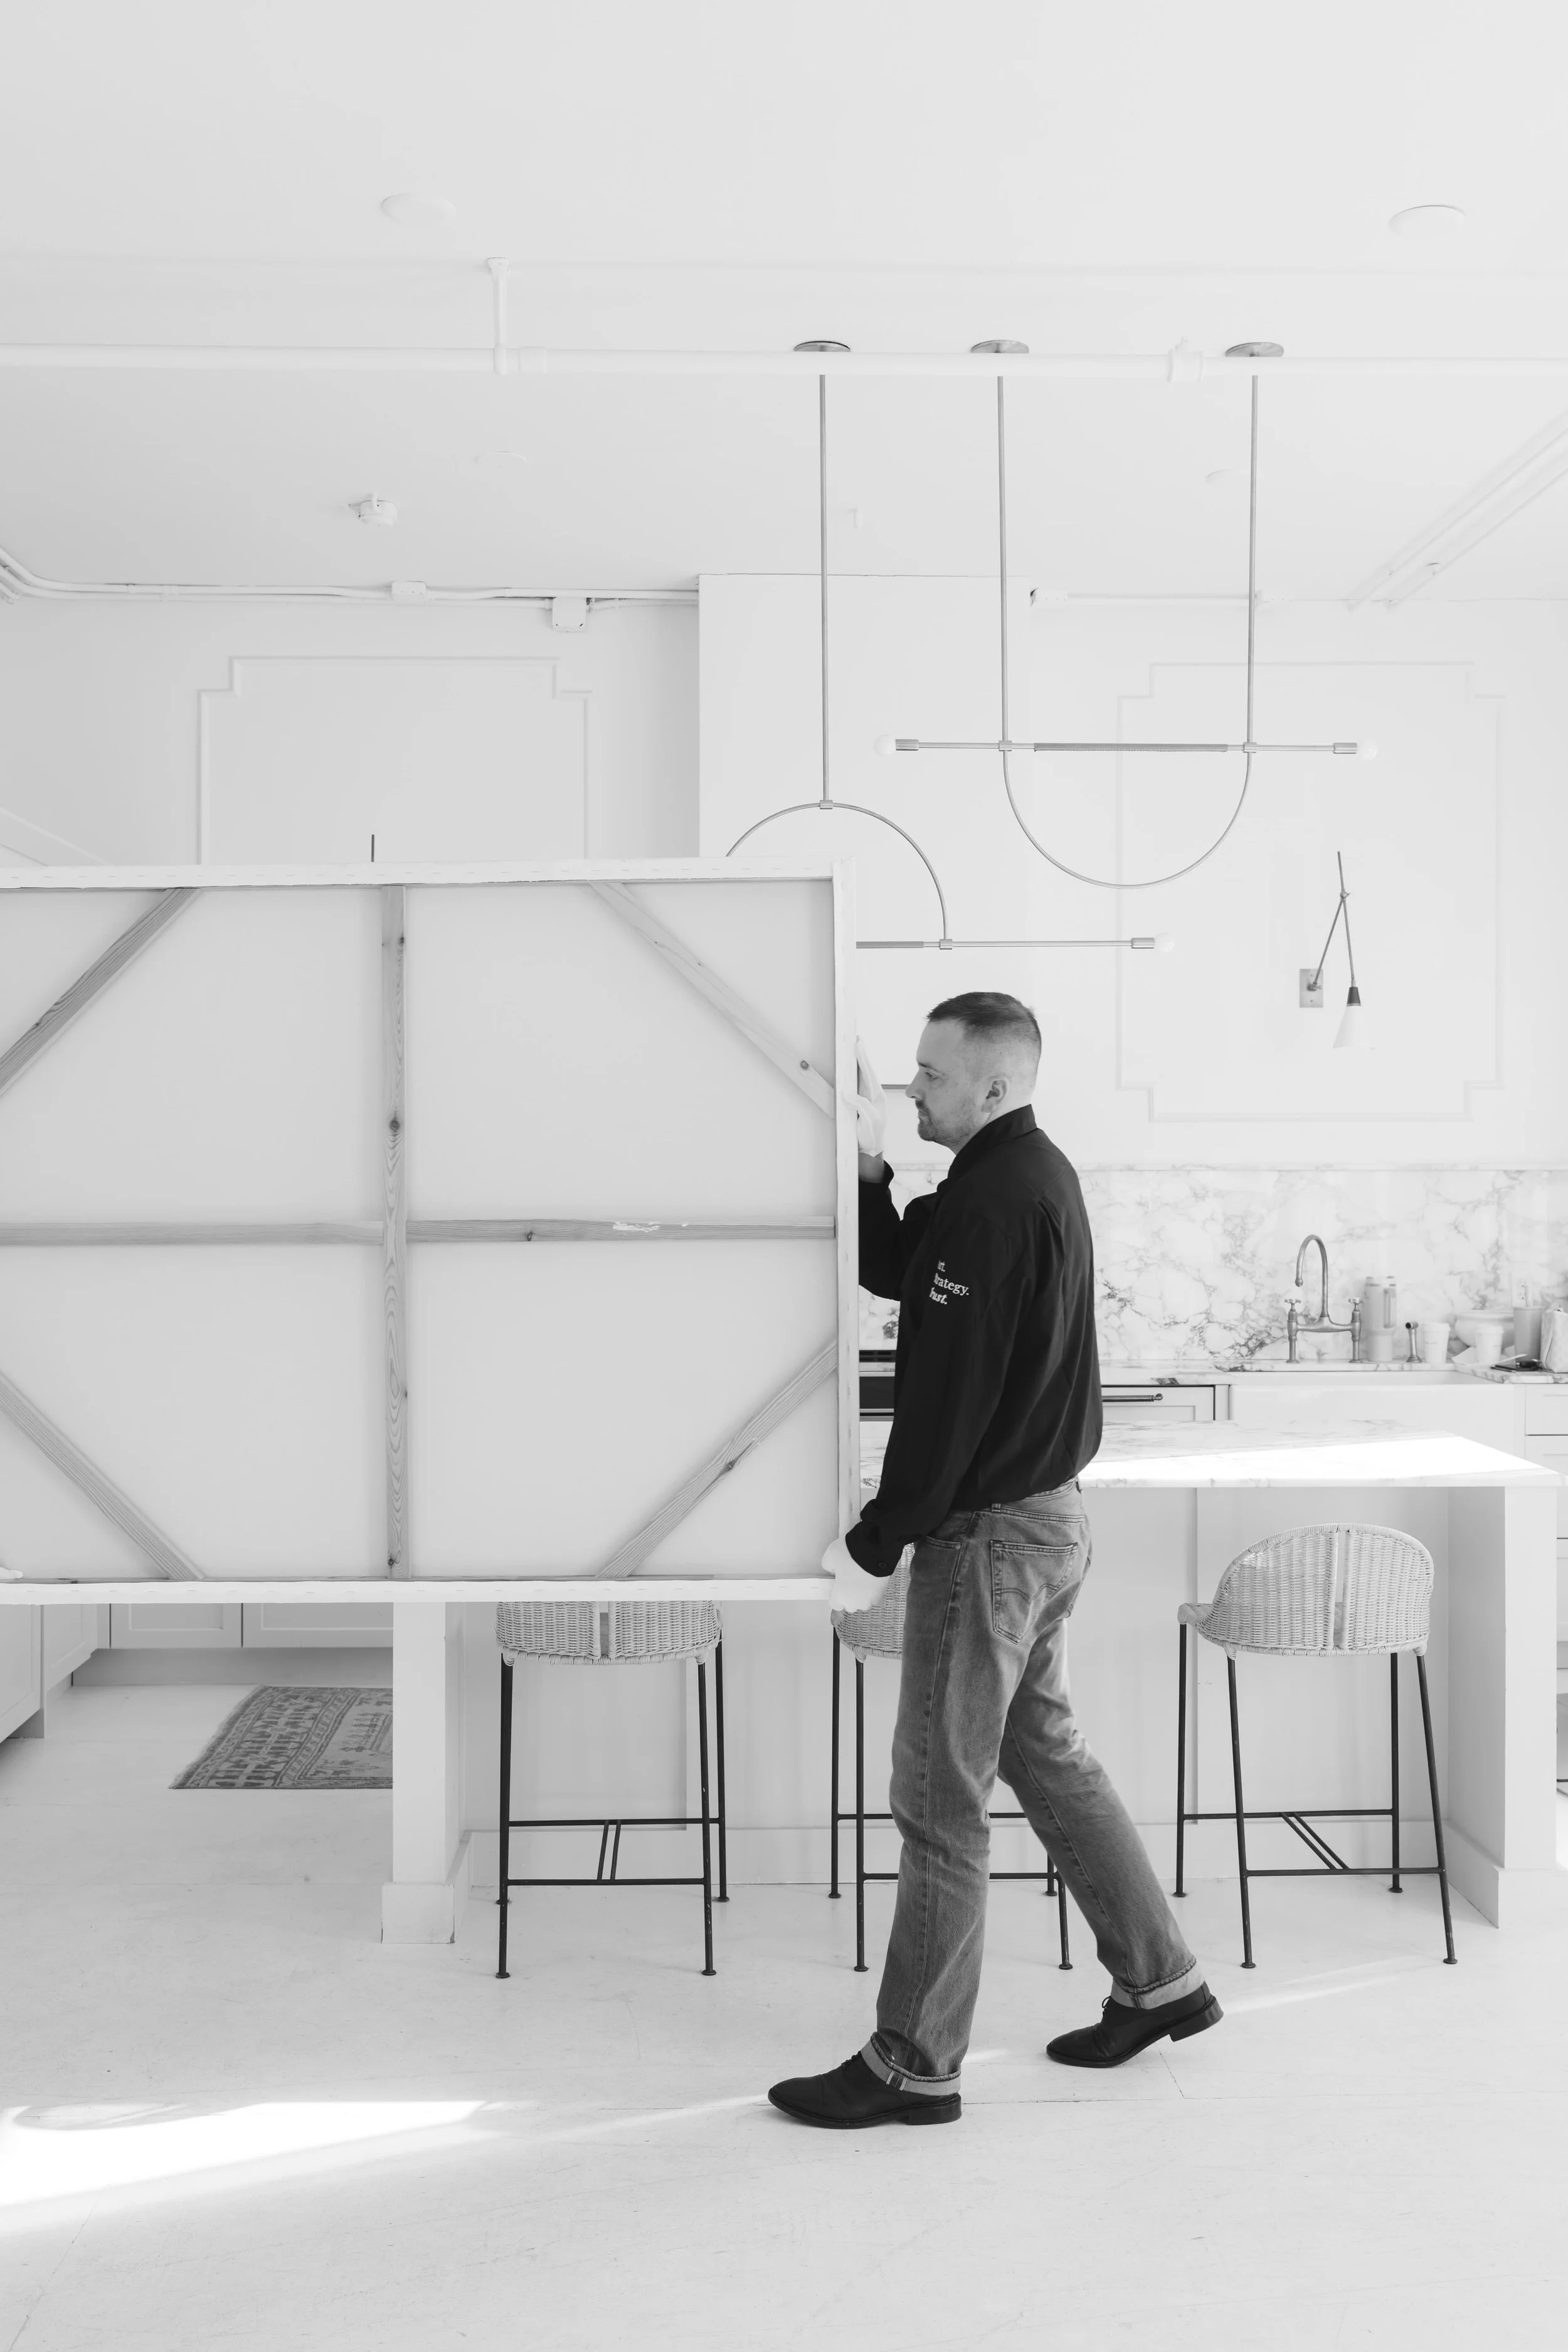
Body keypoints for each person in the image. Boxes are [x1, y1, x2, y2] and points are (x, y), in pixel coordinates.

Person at [769, 991, 1220, 2130]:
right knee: (1048, 1760)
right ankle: (1161, 1979)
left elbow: (947, 1408)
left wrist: (876, 1540)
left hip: (989, 1540)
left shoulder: (993, 1202)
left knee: (938, 1796)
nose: (910, 1089)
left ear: (994, 1083)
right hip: (1045, 1523)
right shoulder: (1011, 1178)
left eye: (927, 1076)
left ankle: (914, 2061)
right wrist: (870, 1170)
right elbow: (896, 1275)